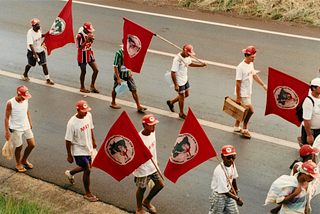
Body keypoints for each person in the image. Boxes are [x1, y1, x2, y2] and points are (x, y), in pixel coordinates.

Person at [65, 100, 98, 202]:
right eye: (83, 111)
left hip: (88, 147)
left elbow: (91, 128)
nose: (86, 112)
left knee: (88, 166)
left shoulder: (88, 116)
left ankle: (70, 173)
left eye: (87, 110)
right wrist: (69, 155)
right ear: (78, 110)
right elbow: (68, 140)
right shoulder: (72, 123)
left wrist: (93, 141)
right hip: (79, 150)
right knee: (87, 170)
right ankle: (88, 193)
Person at [234, 46, 267, 139]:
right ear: (246, 56)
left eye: (254, 57)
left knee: (242, 110)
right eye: (252, 57)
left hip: (248, 92)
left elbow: (254, 75)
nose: (254, 59)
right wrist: (238, 97)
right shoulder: (240, 67)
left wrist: (264, 86)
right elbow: (238, 83)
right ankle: (244, 128)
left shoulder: (250, 64)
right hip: (243, 93)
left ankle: (236, 126)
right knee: (250, 111)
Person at [133, 114, 164, 214]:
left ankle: (146, 201)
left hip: (153, 165)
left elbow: (153, 148)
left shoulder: (152, 133)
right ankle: (139, 208)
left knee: (160, 185)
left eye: (155, 125)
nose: (154, 127)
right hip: (142, 168)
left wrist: (156, 159)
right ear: (145, 125)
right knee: (142, 188)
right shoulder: (138, 139)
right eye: (151, 125)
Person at [166, 44, 207, 119]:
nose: (189, 55)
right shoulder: (177, 59)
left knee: (187, 94)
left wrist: (200, 65)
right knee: (182, 96)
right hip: (179, 80)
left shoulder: (187, 57)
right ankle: (181, 113)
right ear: (184, 51)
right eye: (188, 53)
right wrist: (176, 85)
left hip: (185, 78)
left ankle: (171, 102)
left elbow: (190, 64)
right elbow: (173, 72)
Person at [4, 86, 35, 172]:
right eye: (23, 97)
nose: (24, 99)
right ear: (18, 94)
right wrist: (7, 132)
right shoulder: (10, 103)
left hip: (26, 126)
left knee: (32, 144)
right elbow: (6, 118)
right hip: (15, 128)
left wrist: (29, 121)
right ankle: (18, 163)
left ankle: (24, 160)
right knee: (19, 147)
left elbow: (26, 110)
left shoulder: (25, 100)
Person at [110, 42, 147, 113]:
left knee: (134, 89)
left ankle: (138, 106)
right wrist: (118, 78)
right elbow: (115, 65)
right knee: (115, 89)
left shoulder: (131, 52)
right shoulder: (119, 53)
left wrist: (130, 71)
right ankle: (113, 102)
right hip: (120, 75)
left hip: (128, 74)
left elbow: (132, 62)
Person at [209, 145, 243, 214]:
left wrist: (236, 191)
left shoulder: (232, 164)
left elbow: (233, 178)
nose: (231, 160)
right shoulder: (219, 171)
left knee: (234, 212)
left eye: (233, 157)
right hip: (219, 195)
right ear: (222, 157)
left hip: (229, 193)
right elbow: (223, 190)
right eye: (228, 157)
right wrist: (237, 199)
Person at [22, 18, 54, 85]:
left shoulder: (39, 29)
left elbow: (40, 35)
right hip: (32, 51)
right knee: (31, 64)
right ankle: (25, 73)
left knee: (44, 64)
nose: (39, 26)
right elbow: (30, 44)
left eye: (39, 24)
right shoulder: (30, 33)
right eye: (37, 25)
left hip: (40, 49)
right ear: (33, 26)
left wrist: (46, 35)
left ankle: (48, 79)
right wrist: (35, 54)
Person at [76, 22, 100, 93]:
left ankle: (92, 85)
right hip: (82, 56)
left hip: (89, 54)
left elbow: (90, 43)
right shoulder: (79, 36)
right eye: (89, 31)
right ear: (85, 29)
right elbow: (80, 47)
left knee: (96, 70)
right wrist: (87, 40)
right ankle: (82, 87)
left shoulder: (89, 34)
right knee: (83, 71)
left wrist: (91, 40)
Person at [298, 78, 320, 145]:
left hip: (319, 130)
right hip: (311, 131)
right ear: (314, 88)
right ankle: (302, 141)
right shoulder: (308, 101)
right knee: (309, 152)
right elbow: (306, 120)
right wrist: (309, 135)